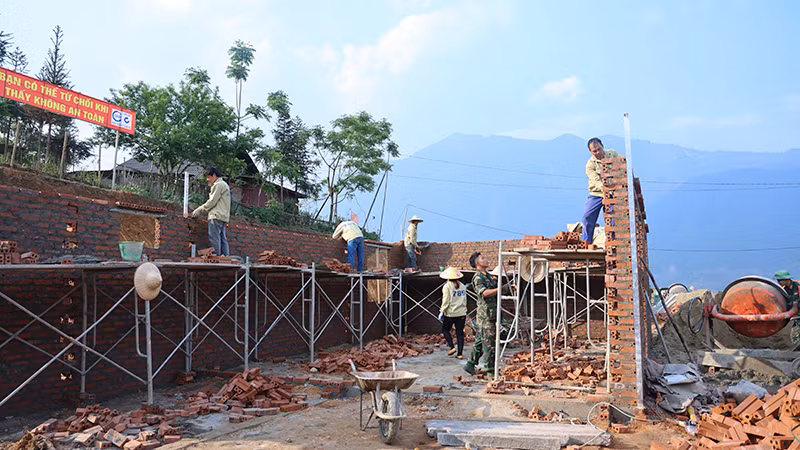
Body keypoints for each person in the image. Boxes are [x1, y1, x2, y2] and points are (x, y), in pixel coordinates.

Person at [464, 251, 499, 377]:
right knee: (489, 343)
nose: (486, 260)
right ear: (477, 263)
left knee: (480, 341)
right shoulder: (478, 277)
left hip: (491, 313)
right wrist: (499, 289)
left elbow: (495, 287)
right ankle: (490, 371)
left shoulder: (488, 276)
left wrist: (507, 286)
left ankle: (470, 364)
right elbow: (483, 293)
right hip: (485, 315)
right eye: (483, 258)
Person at [581, 137, 620, 244]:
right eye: (594, 151)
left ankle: (613, 242)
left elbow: (621, 168)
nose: (598, 152)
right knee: (587, 216)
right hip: (597, 194)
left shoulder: (613, 154)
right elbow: (595, 181)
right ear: (590, 152)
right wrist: (604, 188)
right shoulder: (590, 165)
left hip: (613, 193)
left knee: (613, 217)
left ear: (602, 146)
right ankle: (586, 242)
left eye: (599, 149)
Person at [191, 167, 231, 256]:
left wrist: (199, 209)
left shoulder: (218, 185)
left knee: (214, 238)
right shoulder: (224, 184)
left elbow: (212, 201)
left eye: (209, 177)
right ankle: (225, 258)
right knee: (222, 239)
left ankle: (216, 257)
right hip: (223, 216)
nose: (207, 180)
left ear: (214, 175)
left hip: (216, 216)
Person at [439, 267, 468, 359]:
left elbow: (446, 301)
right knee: (460, 333)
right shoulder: (463, 286)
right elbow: (465, 300)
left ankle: (452, 347)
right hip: (462, 313)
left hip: (450, 313)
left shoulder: (447, 286)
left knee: (445, 330)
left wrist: (442, 311)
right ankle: (460, 354)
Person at [774, 270, 800, 342]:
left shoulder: (797, 287)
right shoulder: (785, 290)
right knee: (795, 336)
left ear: (786, 280)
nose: (778, 282)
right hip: (796, 317)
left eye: (779, 280)